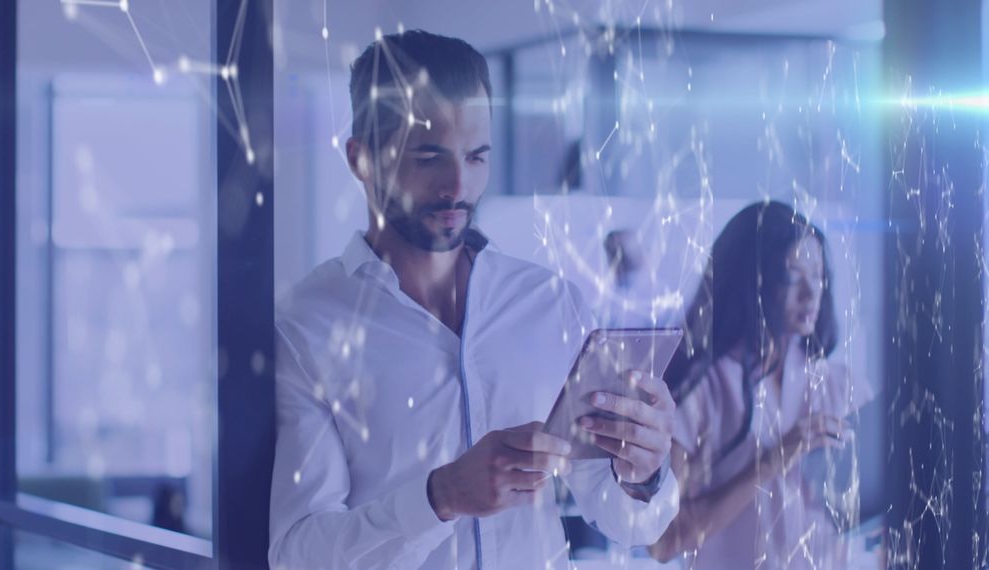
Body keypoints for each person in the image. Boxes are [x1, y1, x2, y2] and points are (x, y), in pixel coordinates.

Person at [269, 30, 679, 569]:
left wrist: (646, 472)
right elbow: (297, 555)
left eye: (477, 156)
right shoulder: (307, 325)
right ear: (361, 158)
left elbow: (625, 521)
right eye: (430, 157)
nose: (458, 186)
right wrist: (439, 498)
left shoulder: (551, 303)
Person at [649, 201, 869, 569]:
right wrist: (768, 464)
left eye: (817, 275)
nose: (811, 293)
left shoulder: (836, 384)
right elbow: (663, 541)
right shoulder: (702, 390)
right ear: (752, 282)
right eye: (791, 275)